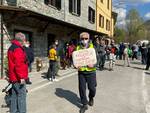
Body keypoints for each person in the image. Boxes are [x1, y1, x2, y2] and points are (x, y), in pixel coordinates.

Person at [75, 32, 97, 113]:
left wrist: (93, 65)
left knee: (92, 88)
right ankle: (84, 104)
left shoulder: (93, 47)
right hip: (81, 72)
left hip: (91, 72)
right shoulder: (77, 48)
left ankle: (91, 97)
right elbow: (75, 60)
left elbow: (97, 60)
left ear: (89, 39)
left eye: (86, 38)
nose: (84, 40)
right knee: (82, 89)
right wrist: (76, 66)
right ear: (80, 39)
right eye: (82, 39)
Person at [7, 32, 28, 113]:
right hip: (18, 78)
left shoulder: (11, 47)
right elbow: (19, 65)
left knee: (14, 96)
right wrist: (22, 77)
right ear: (21, 40)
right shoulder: (18, 49)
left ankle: (14, 111)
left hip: (13, 77)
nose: (25, 41)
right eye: (24, 40)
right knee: (22, 97)